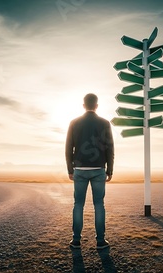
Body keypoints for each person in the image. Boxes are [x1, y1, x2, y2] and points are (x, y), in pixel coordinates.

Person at [66, 93, 114, 249]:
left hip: (79, 169)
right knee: (99, 205)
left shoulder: (74, 122)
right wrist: (110, 170)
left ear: (83, 105)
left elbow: (68, 148)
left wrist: (70, 169)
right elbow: (110, 147)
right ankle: (100, 241)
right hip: (99, 169)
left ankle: (76, 240)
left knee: (78, 204)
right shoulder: (105, 123)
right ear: (97, 106)